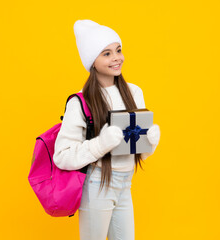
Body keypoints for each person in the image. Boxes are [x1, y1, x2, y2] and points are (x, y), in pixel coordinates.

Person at [53, 19, 161, 240]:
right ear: (93, 61)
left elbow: (135, 153)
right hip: (97, 184)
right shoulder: (80, 102)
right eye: (106, 53)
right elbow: (62, 157)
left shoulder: (134, 92)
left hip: (125, 184)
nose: (117, 58)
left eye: (118, 50)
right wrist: (101, 144)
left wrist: (150, 144)